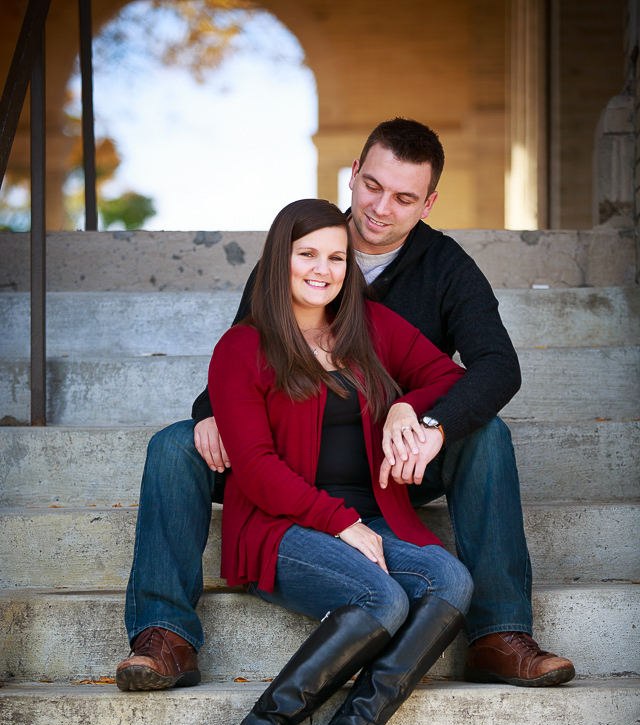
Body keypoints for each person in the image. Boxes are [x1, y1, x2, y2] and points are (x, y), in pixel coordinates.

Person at [116, 117, 574, 695]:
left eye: (405, 197)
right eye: (374, 187)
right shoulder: (297, 249)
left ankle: (498, 634)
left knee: (487, 435)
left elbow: (495, 367)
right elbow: (240, 350)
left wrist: (427, 417)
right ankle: (165, 636)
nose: (382, 208)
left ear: (428, 203)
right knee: (173, 445)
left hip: (391, 461)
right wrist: (208, 410)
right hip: (286, 455)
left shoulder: (446, 267)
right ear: (353, 175)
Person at [204, 198, 473, 725]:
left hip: (367, 517)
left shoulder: (366, 329)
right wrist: (341, 522)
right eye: (307, 255)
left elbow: (449, 378)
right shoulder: (241, 349)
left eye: (337, 257)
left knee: (451, 580)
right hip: (280, 527)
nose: (323, 269)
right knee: (382, 598)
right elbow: (253, 466)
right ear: (280, 260)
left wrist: (406, 405)